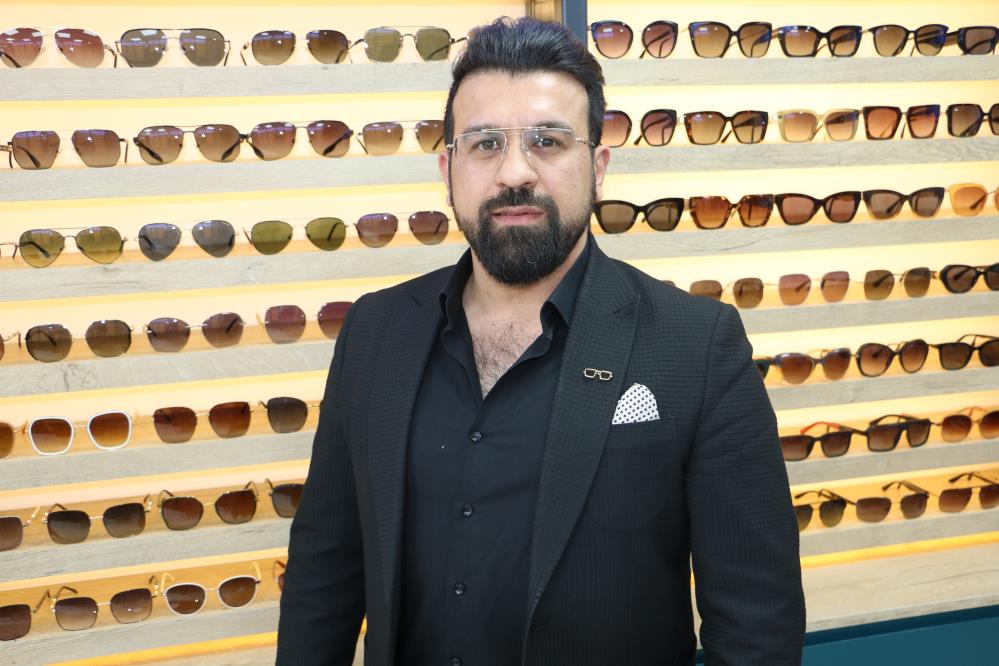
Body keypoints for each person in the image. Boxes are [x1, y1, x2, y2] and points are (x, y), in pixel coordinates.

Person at [276, 16, 805, 666]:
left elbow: (757, 618)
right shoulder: (374, 332)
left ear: (598, 166)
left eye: (547, 141)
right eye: (484, 144)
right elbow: (324, 572)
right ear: (447, 168)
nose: (514, 172)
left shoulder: (696, 346)